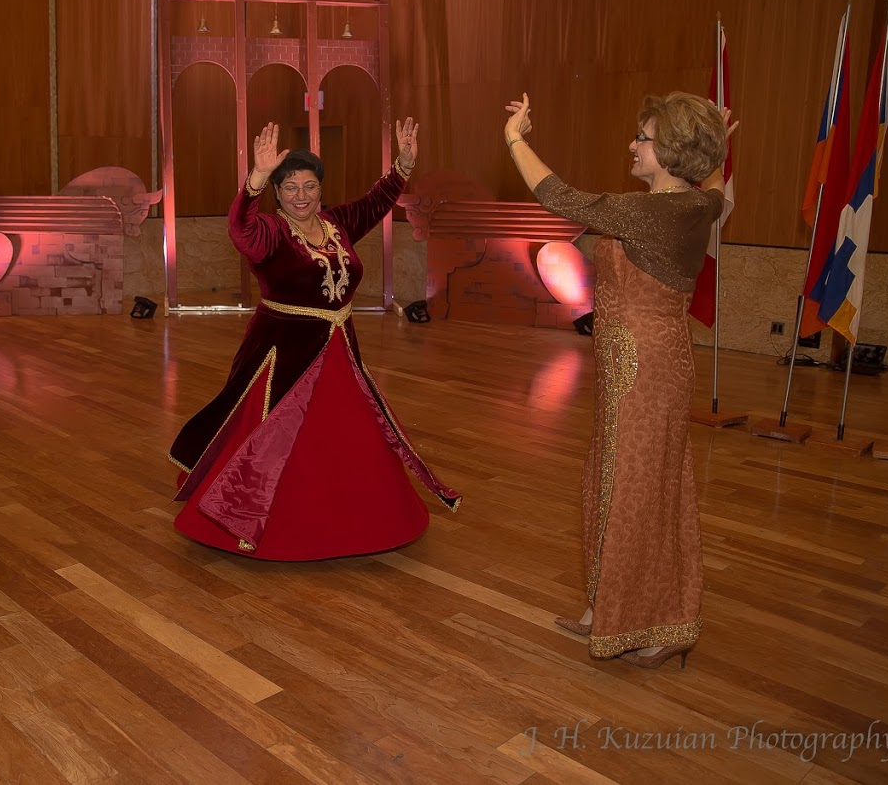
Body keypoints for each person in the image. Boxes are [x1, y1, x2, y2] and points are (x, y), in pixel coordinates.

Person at [503, 91, 734, 668]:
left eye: (644, 138)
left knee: (638, 488)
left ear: (672, 150)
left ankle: (654, 621)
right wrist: (716, 147)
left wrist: (514, 138)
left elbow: (559, 196)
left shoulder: (655, 212)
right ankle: (608, 606)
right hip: (631, 363)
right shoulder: (696, 204)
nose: (633, 145)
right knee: (614, 477)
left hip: (646, 365)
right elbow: (716, 194)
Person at [169, 120, 461, 560]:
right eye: (289, 187)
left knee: (347, 438)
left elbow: (376, 201)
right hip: (283, 353)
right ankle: (264, 521)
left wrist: (403, 164)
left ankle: (357, 520)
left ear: (320, 189)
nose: (300, 195)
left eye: (309, 186)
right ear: (277, 192)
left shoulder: (336, 223)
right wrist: (255, 179)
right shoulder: (269, 232)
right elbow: (240, 229)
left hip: (340, 350)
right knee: (277, 439)